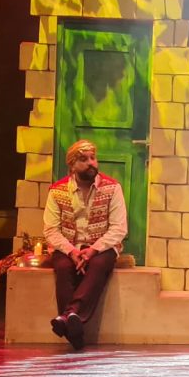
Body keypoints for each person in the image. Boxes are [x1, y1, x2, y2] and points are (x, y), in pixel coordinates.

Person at [43, 139, 128, 350]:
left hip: (101, 246)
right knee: (63, 267)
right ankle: (74, 326)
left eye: (93, 158)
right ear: (72, 165)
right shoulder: (57, 191)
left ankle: (68, 316)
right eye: (84, 159)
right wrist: (72, 251)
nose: (91, 163)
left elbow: (119, 228)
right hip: (68, 246)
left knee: (98, 265)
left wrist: (93, 250)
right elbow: (51, 230)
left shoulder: (112, 188)